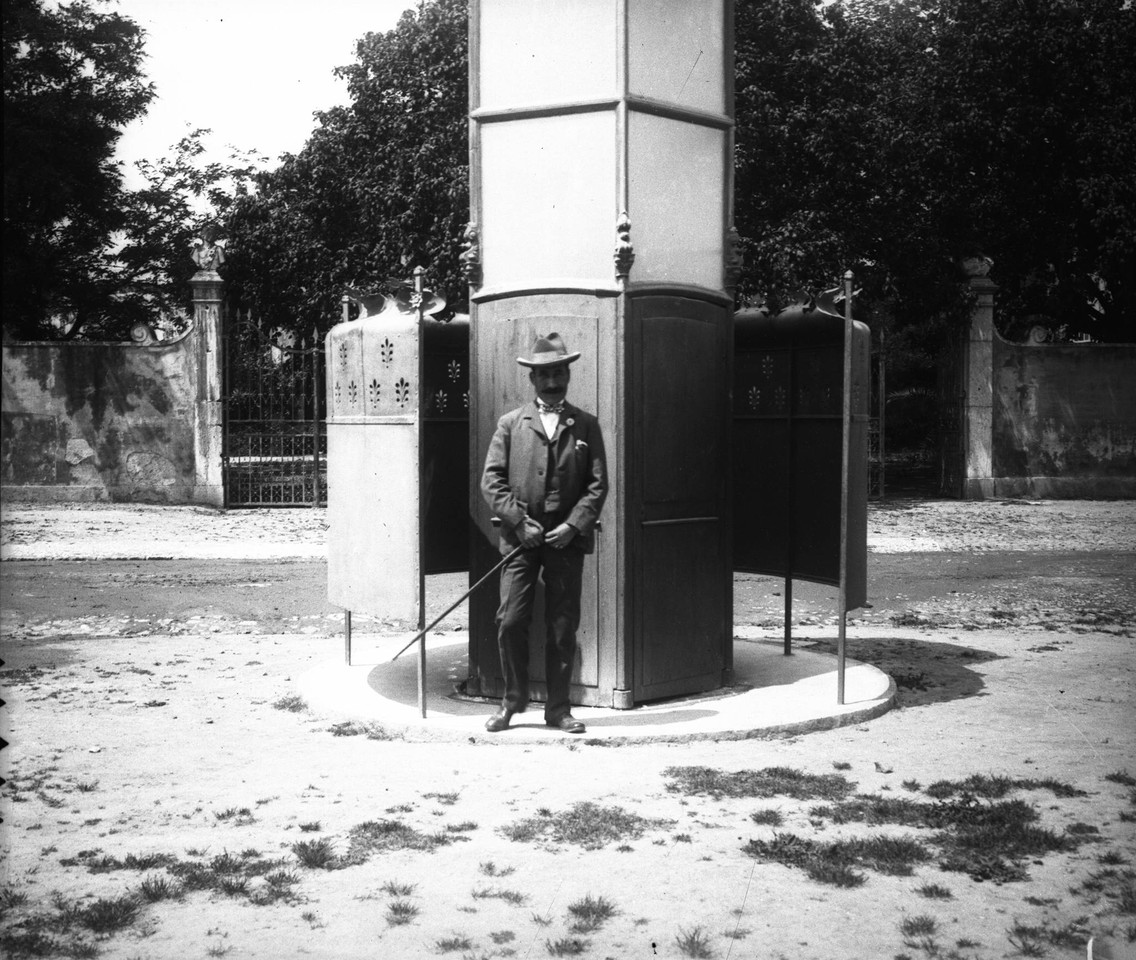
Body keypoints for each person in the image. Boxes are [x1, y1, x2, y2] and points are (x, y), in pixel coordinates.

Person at [480, 333, 608, 734]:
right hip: (521, 540)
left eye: (558, 373)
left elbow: (597, 485)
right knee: (511, 620)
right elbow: (491, 482)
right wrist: (519, 521)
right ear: (532, 380)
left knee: (561, 624)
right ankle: (512, 701)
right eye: (544, 375)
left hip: (565, 541)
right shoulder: (510, 424)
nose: (552, 382)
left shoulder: (586, 424)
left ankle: (558, 709)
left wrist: (573, 526)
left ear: (567, 375)